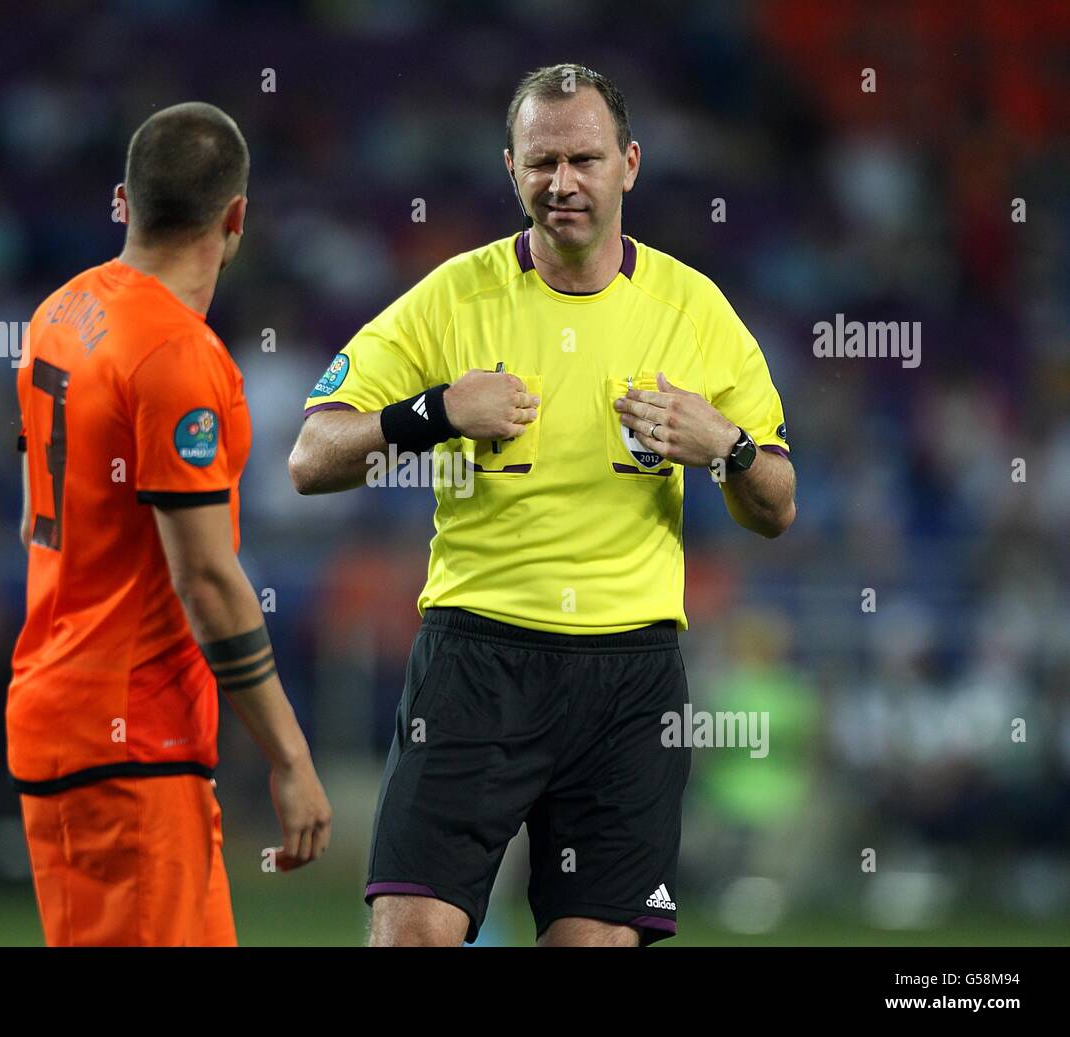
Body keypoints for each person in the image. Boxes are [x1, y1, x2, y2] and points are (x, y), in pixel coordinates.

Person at [289, 64, 795, 947]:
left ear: (629, 165)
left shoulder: (695, 310)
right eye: (542, 161)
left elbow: (776, 506)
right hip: (475, 660)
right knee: (410, 933)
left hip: (629, 678)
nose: (563, 182)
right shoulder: (453, 296)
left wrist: (728, 447)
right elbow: (309, 457)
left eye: (585, 159)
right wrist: (434, 410)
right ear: (511, 169)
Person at [9, 102, 331, 946]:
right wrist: (290, 756)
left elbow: (33, 520)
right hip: (130, 740)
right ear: (236, 219)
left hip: (57, 710)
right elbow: (207, 580)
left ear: (123, 201)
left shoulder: (58, 313)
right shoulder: (179, 360)